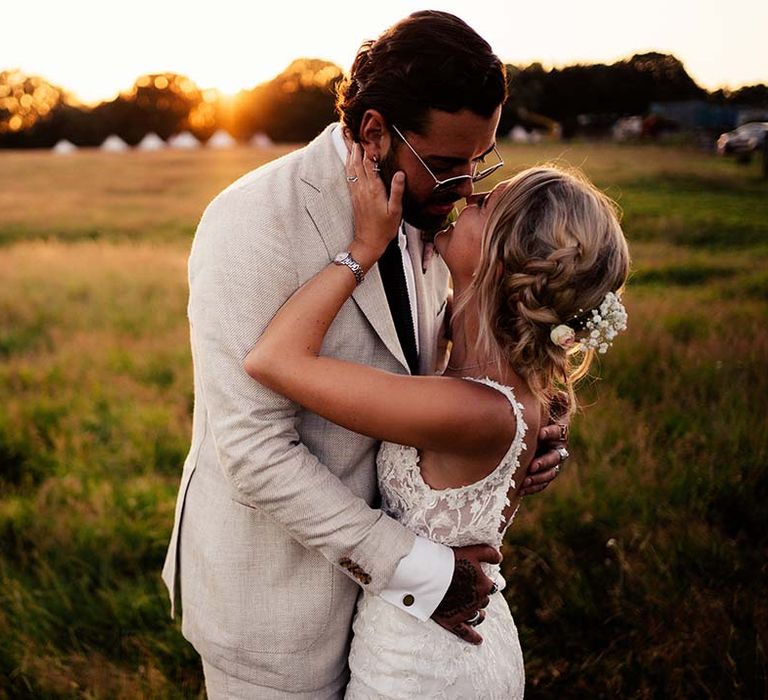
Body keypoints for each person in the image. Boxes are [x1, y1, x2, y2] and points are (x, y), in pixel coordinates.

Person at [162, 11, 567, 698]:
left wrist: (514, 439)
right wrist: (418, 572)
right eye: (445, 165)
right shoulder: (253, 220)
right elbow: (252, 448)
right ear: (374, 131)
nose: (466, 189)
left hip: (397, 622)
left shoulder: (431, 214)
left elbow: (433, 378)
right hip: (278, 607)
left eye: (481, 160)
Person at [245, 152, 630, 697]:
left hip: (425, 668)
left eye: (484, 206)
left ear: (498, 262)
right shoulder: (494, 377)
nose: (466, 196)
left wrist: (363, 250)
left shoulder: (469, 409)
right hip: (436, 637)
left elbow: (273, 360)